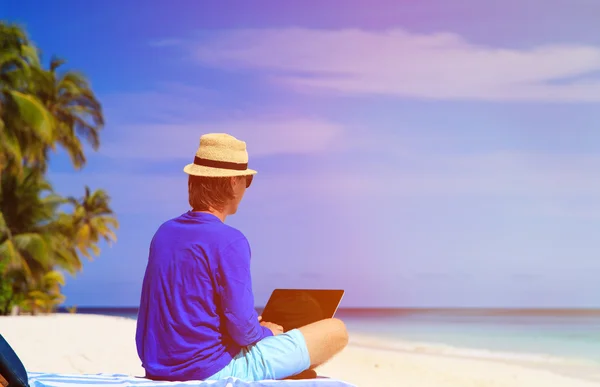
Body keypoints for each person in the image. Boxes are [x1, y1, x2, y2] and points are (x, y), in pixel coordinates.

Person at [135, 133, 348, 382]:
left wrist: (252, 326)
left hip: (158, 368)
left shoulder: (163, 233)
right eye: (247, 181)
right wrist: (266, 332)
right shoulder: (230, 241)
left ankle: (290, 369)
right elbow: (243, 331)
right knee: (336, 331)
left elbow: (186, 309)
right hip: (211, 371)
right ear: (234, 181)